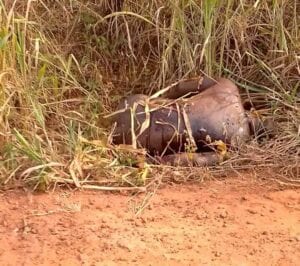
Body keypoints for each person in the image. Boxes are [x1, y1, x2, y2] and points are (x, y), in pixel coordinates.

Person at [110, 76, 273, 166]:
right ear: (258, 140)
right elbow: (190, 159)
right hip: (136, 140)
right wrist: (150, 161)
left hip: (132, 107)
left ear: (255, 112)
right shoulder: (237, 144)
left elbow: (180, 88)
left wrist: (160, 101)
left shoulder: (227, 87)